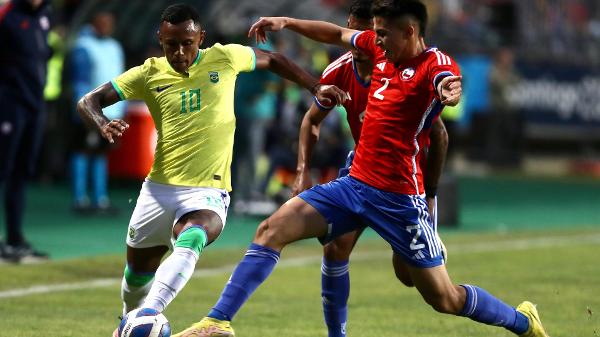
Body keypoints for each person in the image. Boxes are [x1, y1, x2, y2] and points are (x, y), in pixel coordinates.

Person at [173, 1, 550, 337]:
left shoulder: (434, 64)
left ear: (411, 31)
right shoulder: (378, 49)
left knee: (443, 298)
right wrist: (286, 22)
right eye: (374, 34)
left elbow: (448, 82)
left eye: (383, 34)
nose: (376, 41)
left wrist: (451, 91)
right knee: (272, 229)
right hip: (353, 184)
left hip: (400, 199)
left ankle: (522, 321)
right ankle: (217, 321)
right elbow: (337, 33)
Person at [74, 4, 345, 336]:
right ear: (160, 39)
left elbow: (273, 60)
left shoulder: (224, 58)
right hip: (158, 190)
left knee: (194, 235)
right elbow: (89, 100)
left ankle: (147, 315)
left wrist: (314, 86)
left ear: (200, 38)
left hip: (208, 190)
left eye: (187, 42)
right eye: (170, 44)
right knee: (136, 275)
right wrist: (101, 123)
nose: (179, 51)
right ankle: (130, 320)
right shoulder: (148, 73)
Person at [288, 1, 448, 336]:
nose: (360, 43)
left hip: (405, 183)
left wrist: (431, 196)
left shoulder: (399, 69)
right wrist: (302, 170)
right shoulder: (339, 70)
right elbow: (311, 120)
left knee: (409, 278)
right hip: (361, 171)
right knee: (335, 247)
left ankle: (430, 243)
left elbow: (439, 134)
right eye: (356, 33)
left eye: (372, 35)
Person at [0, 0, 51, 262]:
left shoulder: (44, 17)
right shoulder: (6, 14)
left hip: (35, 106)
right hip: (9, 104)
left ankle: (15, 239)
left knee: (21, 173)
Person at [70, 12, 125, 214]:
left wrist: (122, 109)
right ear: (94, 24)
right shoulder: (84, 46)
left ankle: (100, 199)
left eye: (109, 23)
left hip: (111, 111)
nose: (106, 27)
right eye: (102, 23)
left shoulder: (115, 47)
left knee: (102, 153)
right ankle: (80, 199)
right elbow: (80, 81)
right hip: (91, 112)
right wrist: (83, 111)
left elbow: (122, 80)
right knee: (83, 150)